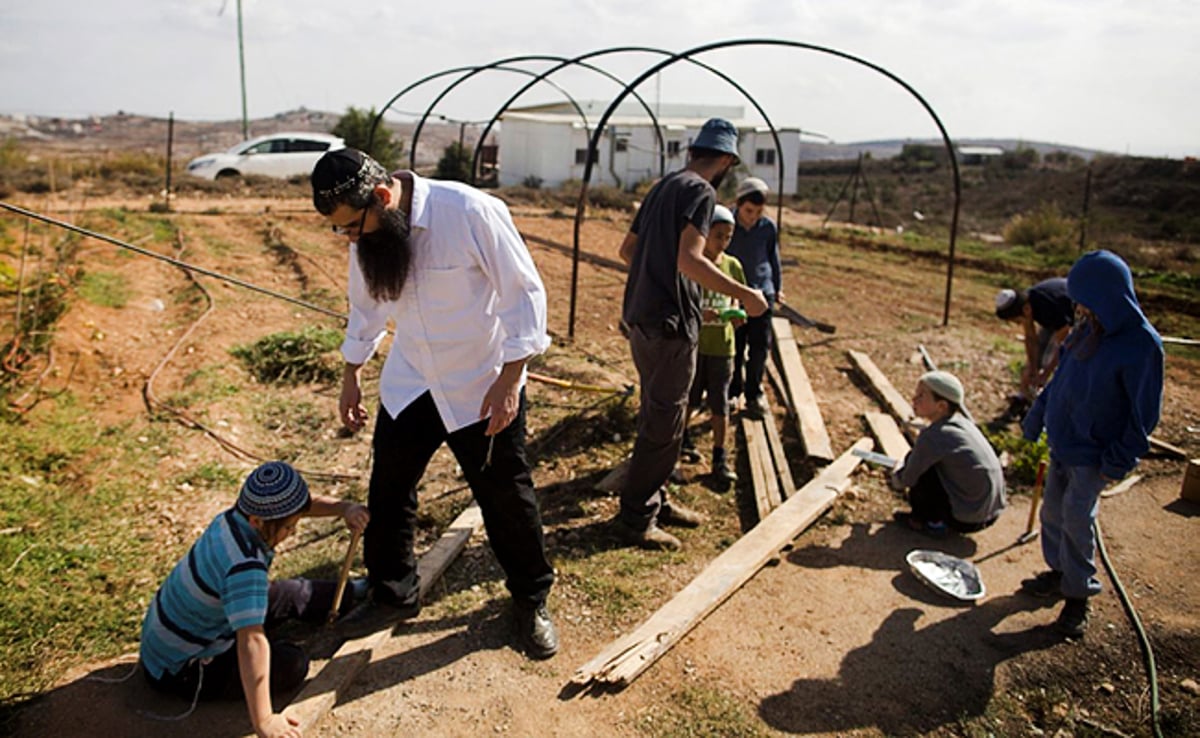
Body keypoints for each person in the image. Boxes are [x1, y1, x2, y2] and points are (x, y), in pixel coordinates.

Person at [310, 149, 558, 659]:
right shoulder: (369, 232)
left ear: (383, 197)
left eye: (352, 228)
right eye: (341, 232)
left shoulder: (469, 212)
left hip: (481, 383)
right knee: (389, 490)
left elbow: (524, 297)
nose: (350, 240)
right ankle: (393, 593)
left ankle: (530, 601)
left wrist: (511, 380)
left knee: (505, 498)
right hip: (413, 379)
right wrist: (351, 374)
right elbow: (366, 307)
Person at [617, 118, 769, 551]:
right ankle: (636, 518)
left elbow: (628, 251)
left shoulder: (663, 186)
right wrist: (747, 296)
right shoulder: (702, 192)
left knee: (658, 416)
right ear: (725, 160)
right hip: (670, 326)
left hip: (642, 320)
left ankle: (656, 500)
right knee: (664, 424)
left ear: (694, 151)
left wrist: (656, 281)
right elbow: (690, 260)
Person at [139, 461, 370, 738]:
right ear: (257, 522)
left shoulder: (233, 518)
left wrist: (343, 508)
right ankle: (260, 668)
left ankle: (355, 592)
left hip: (183, 630)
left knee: (292, 593)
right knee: (292, 664)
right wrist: (264, 721)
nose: (291, 533)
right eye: (288, 528)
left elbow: (302, 506)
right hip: (179, 667)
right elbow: (251, 640)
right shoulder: (244, 566)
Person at [1019, 250, 1163, 638]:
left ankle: (1077, 599)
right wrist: (1036, 418)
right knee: (1052, 513)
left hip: (1094, 454)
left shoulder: (1141, 347)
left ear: (1108, 295)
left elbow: (1143, 416)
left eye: (1085, 298)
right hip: (1064, 444)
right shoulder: (1087, 329)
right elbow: (1060, 381)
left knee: (1078, 520)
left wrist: (1116, 461)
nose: (1078, 306)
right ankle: (1059, 572)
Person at [889, 371, 1007, 538]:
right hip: (991, 514)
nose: (914, 399)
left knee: (922, 470)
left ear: (941, 406)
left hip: (966, 520)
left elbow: (905, 479)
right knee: (928, 461)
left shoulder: (933, 436)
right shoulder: (964, 424)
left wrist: (896, 472)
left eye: (921, 396)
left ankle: (930, 521)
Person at [682, 204, 745, 485]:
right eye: (717, 235)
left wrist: (735, 312)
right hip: (695, 346)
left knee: (720, 404)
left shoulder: (732, 266)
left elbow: (736, 296)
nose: (722, 242)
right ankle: (680, 441)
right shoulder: (692, 264)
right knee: (688, 399)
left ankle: (720, 456)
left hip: (722, 347)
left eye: (728, 237)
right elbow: (683, 301)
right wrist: (700, 314)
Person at [726, 176, 783, 420]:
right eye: (749, 211)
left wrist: (777, 287)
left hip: (763, 293)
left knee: (759, 346)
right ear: (738, 204)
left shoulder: (767, 228)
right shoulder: (726, 224)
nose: (753, 216)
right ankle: (732, 390)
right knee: (735, 346)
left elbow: (773, 259)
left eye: (758, 212)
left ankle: (753, 393)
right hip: (735, 293)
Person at [995, 277, 1074, 403]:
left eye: (1017, 321)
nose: (1017, 324)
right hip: (1054, 320)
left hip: (1074, 316)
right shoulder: (1025, 303)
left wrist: (1045, 374)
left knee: (1056, 359)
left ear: (1026, 310)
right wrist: (1033, 367)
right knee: (1038, 357)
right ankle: (1022, 396)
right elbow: (1031, 339)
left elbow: (1063, 347)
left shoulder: (1049, 308)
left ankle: (1053, 399)